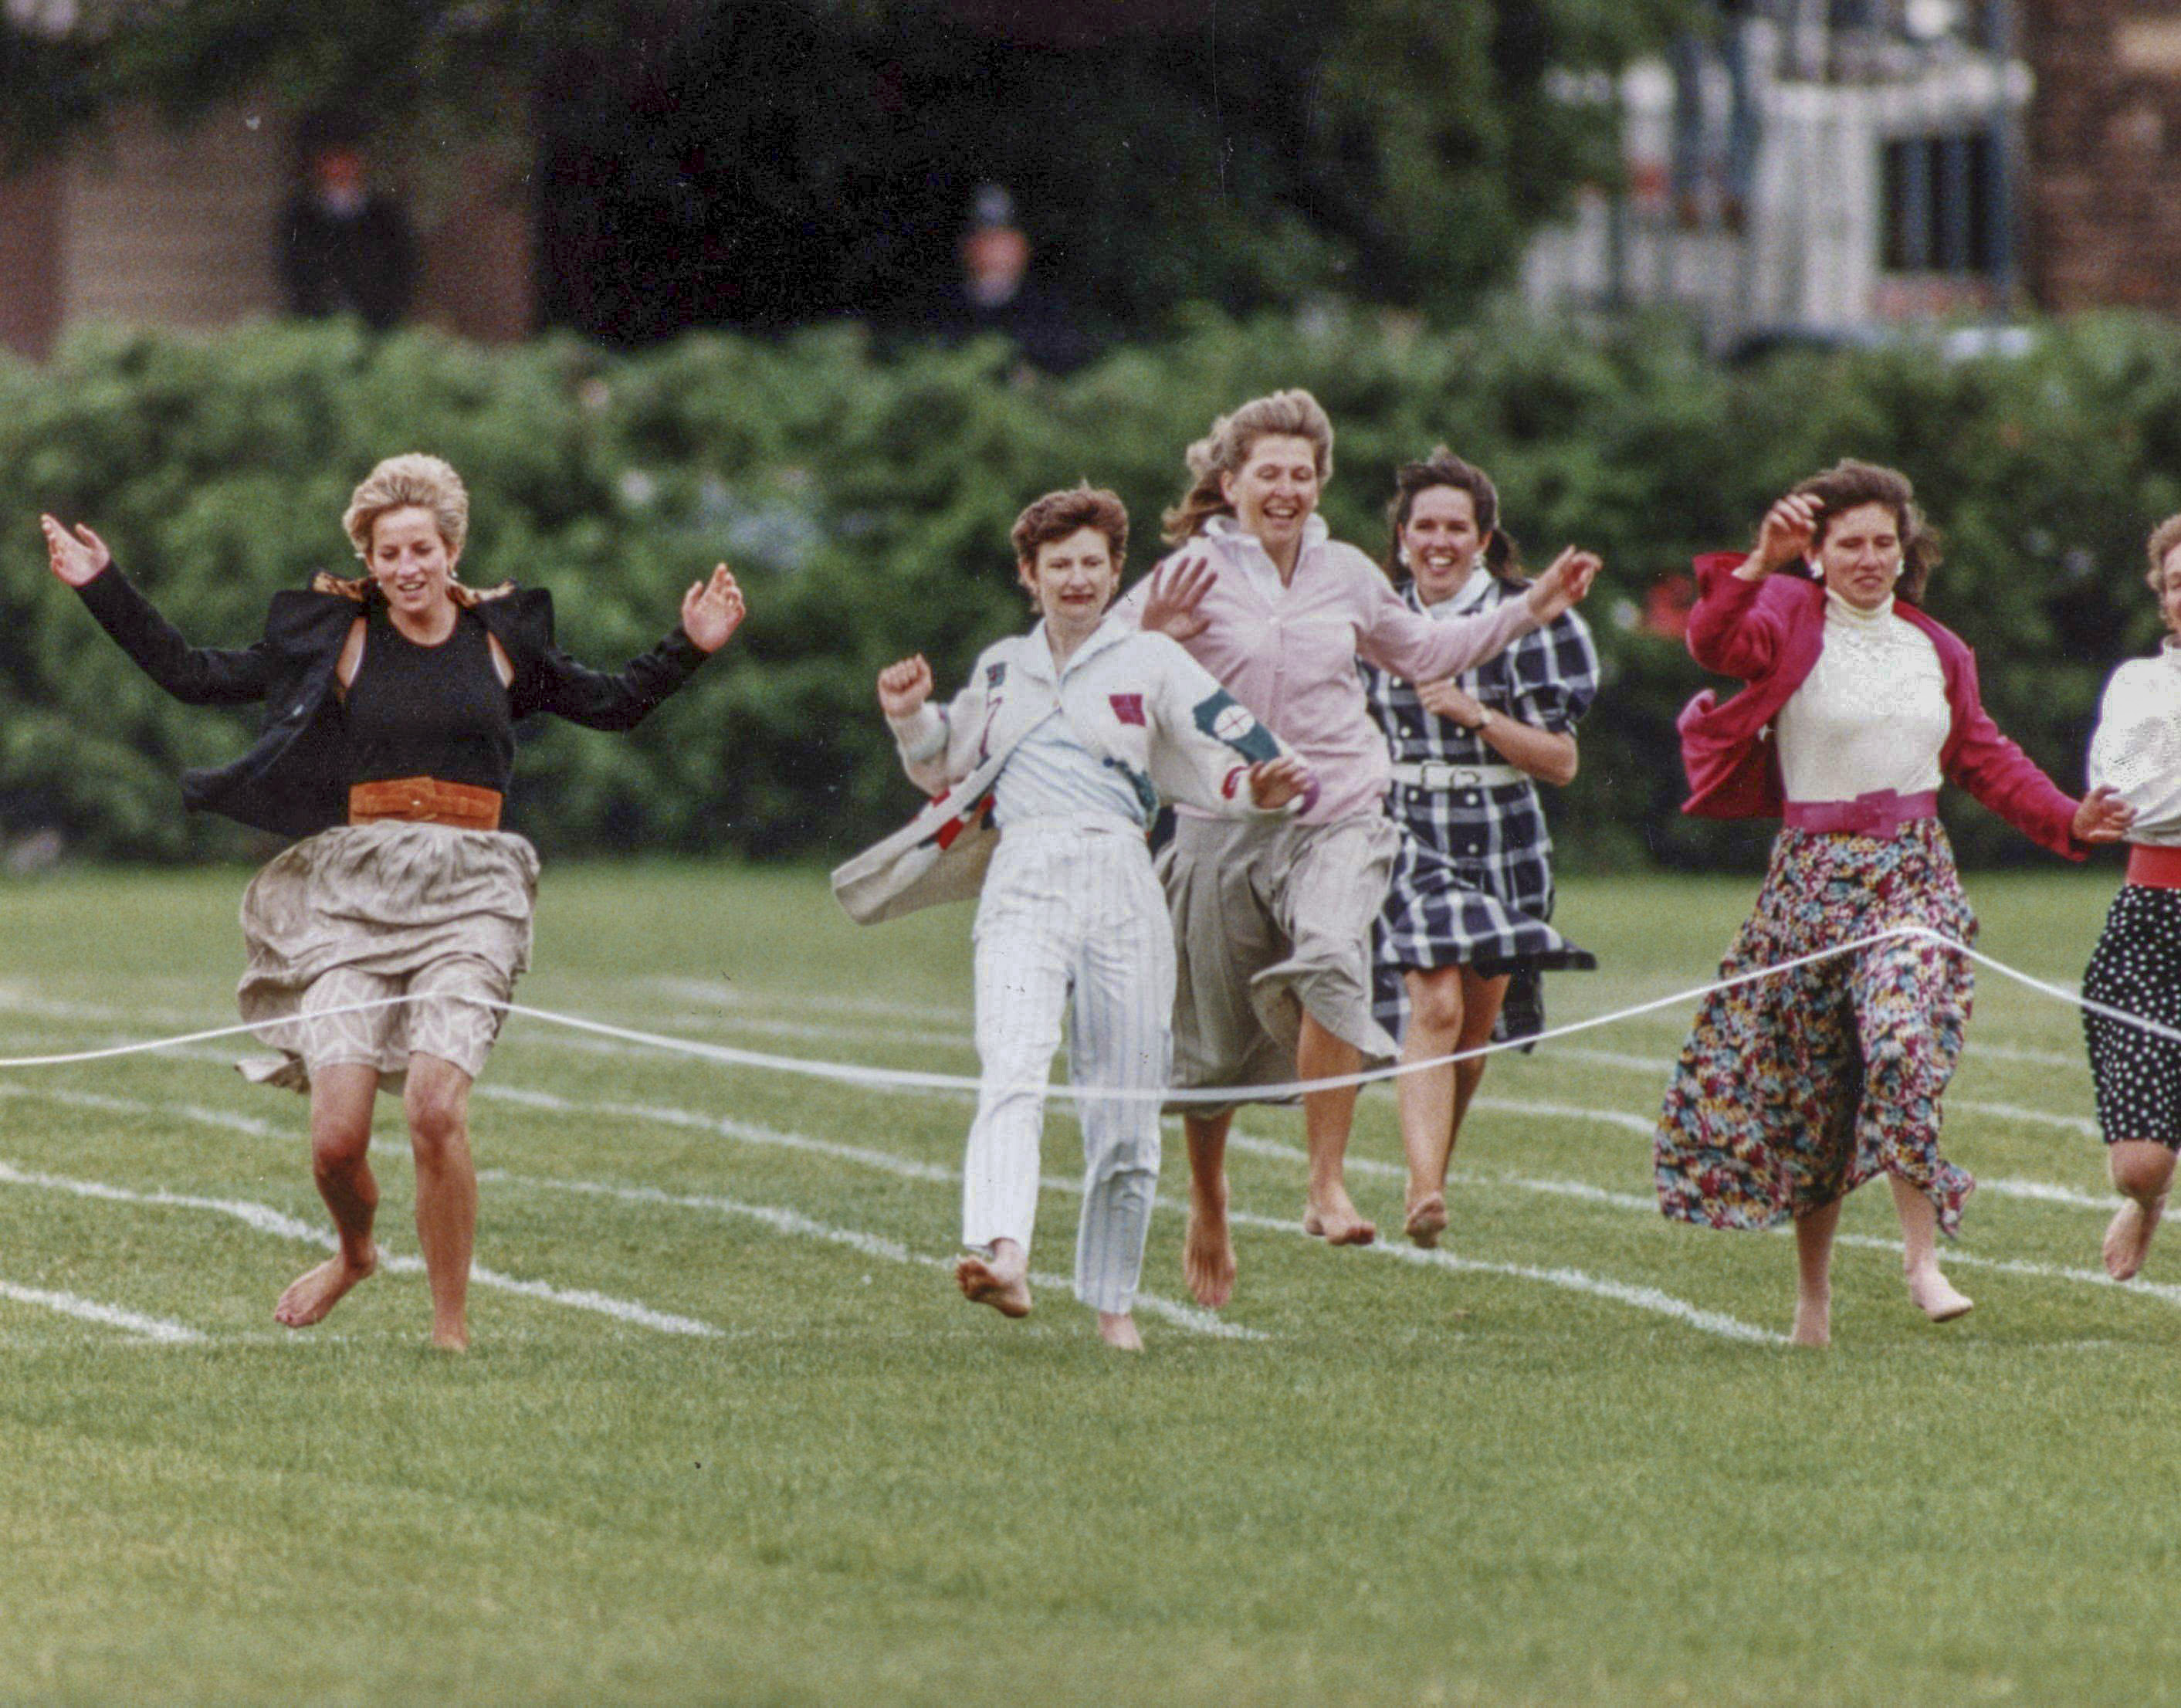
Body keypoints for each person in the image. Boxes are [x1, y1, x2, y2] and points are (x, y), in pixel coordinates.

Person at [39, 454, 744, 1350]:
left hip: (471, 890)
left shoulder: (501, 639)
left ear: (451, 550)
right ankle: (355, 1254)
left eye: (421, 549)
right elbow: (193, 674)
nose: (406, 567)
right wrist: (104, 587)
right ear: (366, 560)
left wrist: (691, 645)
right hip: (356, 891)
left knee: (433, 1108)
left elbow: (609, 705)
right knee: (336, 1139)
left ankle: (449, 1330)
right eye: (387, 553)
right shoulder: (335, 639)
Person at [1112, 388, 1599, 1307]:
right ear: (1230, 483)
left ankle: (1323, 1183)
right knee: (1208, 1052)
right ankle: (1208, 1198)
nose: (1287, 488)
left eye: (1303, 473)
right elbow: (1097, 667)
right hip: (1222, 826)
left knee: (1335, 955)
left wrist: (1529, 607)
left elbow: (1426, 647)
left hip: (1339, 810)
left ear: (1319, 482)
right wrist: (1147, 638)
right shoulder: (1188, 575)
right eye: (1269, 474)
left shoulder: (1344, 574)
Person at [1654, 459, 2131, 1347]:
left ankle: (1919, 1259)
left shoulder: (1936, 649)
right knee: (1816, 1091)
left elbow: (1984, 757)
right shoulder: (1786, 620)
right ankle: (1812, 1298)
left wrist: (2068, 815)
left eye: (1884, 542)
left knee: (1902, 1038)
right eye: (1850, 544)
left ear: (1904, 549)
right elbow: (1714, 644)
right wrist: (1756, 562)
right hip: (1808, 877)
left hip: (1911, 873)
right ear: (1818, 553)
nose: (1869, 558)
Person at [850, 484, 1312, 1349]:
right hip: (1023, 877)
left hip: (1121, 880)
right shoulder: (998, 668)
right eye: (1057, 565)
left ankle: (1113, 1305)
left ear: (1113, 571)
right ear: (1029, 575)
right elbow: (942, 773)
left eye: (1090, 564)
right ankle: (1004, 1252)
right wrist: (909, 715)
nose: (1075, 579)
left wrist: (1262, 787)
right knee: (1012, 1065)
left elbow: (1226, 754)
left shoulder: (1151, 662)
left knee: (1126, 1110)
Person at [1360, 449, 1601, 1248]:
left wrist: (1474, 715)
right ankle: (1423, 1188)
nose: (1437, 541)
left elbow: (1560, 764)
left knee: (1470, 1035)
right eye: (1422, 526)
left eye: (1454, 527)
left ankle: (1429, 1173)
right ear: (1399, 538)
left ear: (1482, 537)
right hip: (1402, 833)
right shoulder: (1369, 619)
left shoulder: (1535, 624)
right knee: (1430, 1002)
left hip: (1501, 835)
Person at [2081, 513, 2181, 1280]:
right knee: (2138, 1166)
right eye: (2177, 584)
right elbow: (2121, 801)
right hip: (2152, 919)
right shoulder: (2136, 685)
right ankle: (2146, 1204)